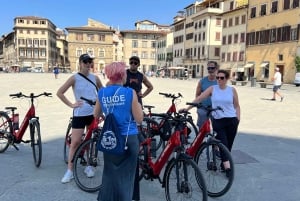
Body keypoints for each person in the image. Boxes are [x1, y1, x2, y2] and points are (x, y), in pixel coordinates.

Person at [94, 62, 143, 201]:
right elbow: (139, 119)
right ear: (122, 75)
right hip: (129, 138)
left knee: (110, 173)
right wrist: (138, 106)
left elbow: (96, 114)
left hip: (111, 138)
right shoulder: (130, 93)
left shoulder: (102, 92)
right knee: (127, 177)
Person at [181, 69, 240, 177]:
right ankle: (228, 168)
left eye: (221, 78)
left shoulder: (232, 90)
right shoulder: (213, 89)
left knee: (229, 145)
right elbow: (199, 98)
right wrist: (187, 108)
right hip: (218, 120)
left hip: (232, 120)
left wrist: (238, 119)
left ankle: (224, 163)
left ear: (226, 79)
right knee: (223, 144)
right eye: (217, 77)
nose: (219, 80)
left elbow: (236, 105)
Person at [57, 53, 103, 183]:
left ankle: (89, 166)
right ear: (80, 63)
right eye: (86, 62)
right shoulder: (74, 78)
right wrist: (71, 104)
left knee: (90, 141)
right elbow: (60, 93)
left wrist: (102, 108)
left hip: (93, 113)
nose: (88, 64)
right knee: (75, 142)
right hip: (80, 114)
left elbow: (103, 93)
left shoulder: (95, 78)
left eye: (90, 62)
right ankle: (70, 170)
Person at [124, 56, 153, 201]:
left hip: (137, 103)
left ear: (138, 65)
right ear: (129, 63)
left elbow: (151, 86)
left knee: (137, 124)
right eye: (131, 62)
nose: (133, 65)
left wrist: (143, 94)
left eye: (135, 63)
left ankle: (137, 145)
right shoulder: (125, 73)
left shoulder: (141, 76)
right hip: (126, 102)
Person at [195, 61, 218, 129]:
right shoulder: (202, 81)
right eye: (208, 68)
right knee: (202, 130)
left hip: (215, 109)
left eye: (212, 68)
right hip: (203, 108)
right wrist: (198, 107)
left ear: (216, 69)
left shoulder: (219, 80)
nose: (210, 70)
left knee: (217, 129)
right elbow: (197, 95)